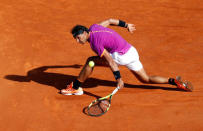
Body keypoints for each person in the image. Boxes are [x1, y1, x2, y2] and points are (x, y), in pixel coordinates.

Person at [61, 18, 193, 95]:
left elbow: (111, 61)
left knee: (91, 61)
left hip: (121, 56)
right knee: (146, 79)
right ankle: (173, 81)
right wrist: (126, 25)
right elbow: (110, 20)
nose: (78, 42)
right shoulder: (95, 27)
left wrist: (118, 78)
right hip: (131, 51)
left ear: (84, 33)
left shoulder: (96, 43)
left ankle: (76, 88)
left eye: (78, 38)